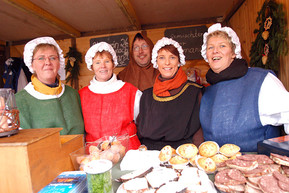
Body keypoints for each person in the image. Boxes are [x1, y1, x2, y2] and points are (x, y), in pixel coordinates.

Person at [199, 23, 289, 152]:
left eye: (222, 46)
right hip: (217, 167)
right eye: (210, 47)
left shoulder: (261, 80)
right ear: (206, 55)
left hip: (259, 166)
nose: (215, 51)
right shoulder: (207, 91)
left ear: (233, 52)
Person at [137, 37, 204, 150]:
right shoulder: (147, 96)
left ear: (179, 61)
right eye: (162, 58)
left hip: (182, 154)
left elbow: (199, 131)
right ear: (156, 62)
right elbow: (140, 131)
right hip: (151, 155)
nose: (167, 62)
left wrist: (196, 155)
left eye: (172, 57)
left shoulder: (194, 92)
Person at [79, 42, 142, 150]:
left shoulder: (131, 91)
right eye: (97, 62)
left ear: (113, 64)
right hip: (95, 155)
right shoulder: (81, 95)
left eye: (107, 61)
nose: (103, 66)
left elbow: (142, 123)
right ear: (91, 66)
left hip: (128, 153)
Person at [15, 37, 85, 135]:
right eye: (41, 58)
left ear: (59, 63)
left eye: (52, 58)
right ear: (32, 64)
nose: (48, 62)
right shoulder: (19, 101)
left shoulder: (73, 95)